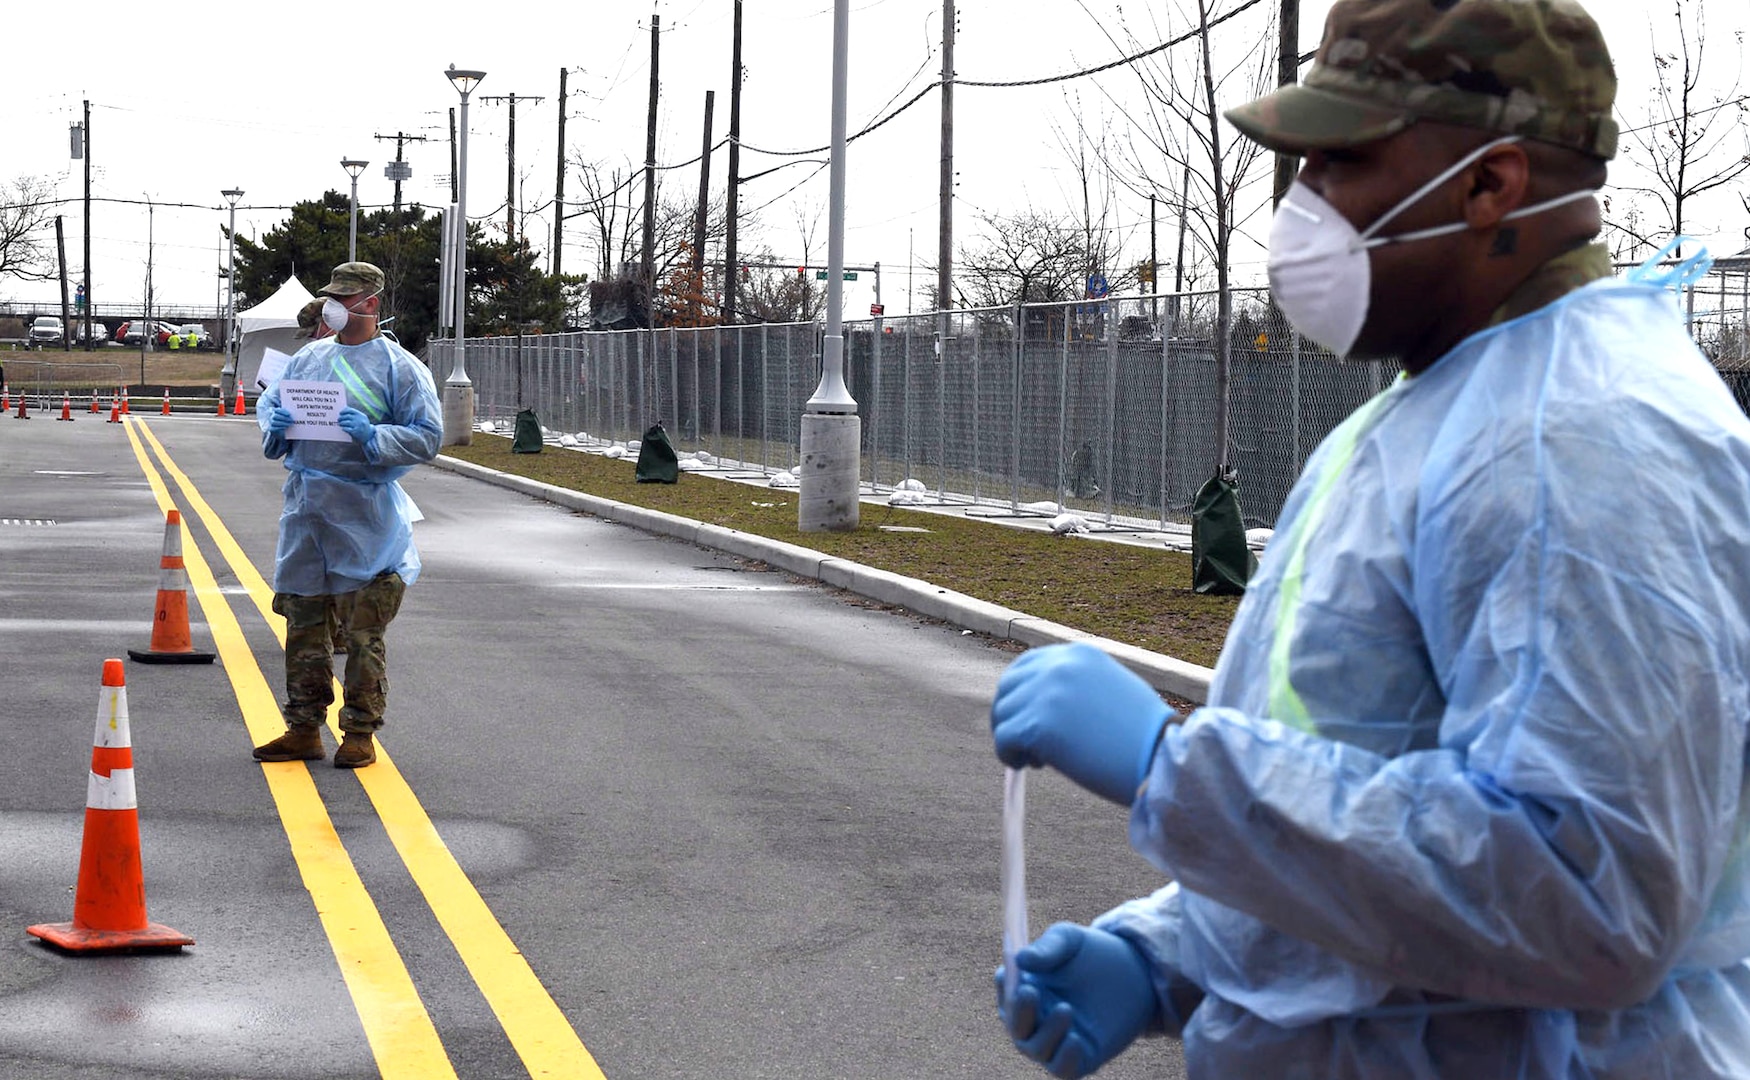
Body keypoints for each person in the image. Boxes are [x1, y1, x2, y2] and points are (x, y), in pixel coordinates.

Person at [989, 1, 1750, 1077]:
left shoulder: (1586, 442)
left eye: (1337, 165)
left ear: (1490, 184)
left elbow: (1587, 895)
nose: (1300, 207)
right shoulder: (1429, 415)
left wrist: (1178, 769)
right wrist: (1167, 955)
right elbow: (1367, 776)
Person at [251, 262, 442, 769]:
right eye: (332, 296)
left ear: (370, 303)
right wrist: (278, 423)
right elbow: (271, 405)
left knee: (361, 635)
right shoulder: (310, 358)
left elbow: (428, 437)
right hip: (307, 514)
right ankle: (303, 727)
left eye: (346, 298)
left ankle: (360, 732)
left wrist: (373, 436)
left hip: (366, 518)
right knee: (304, 625)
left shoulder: (400, 369)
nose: (335, 306)